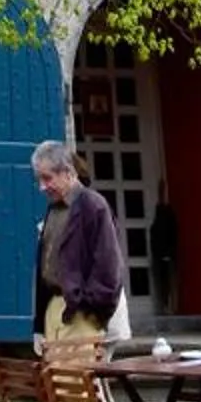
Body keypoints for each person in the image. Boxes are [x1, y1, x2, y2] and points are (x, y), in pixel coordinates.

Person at [31, 140, 129, 344]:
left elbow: (108, 265)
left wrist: (88, 309)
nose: (42, 187)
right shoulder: (54, 209)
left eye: (47, 178)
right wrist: (40, 323)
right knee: (56, 367)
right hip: (56, 310)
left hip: (80, 314)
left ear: (67, 172)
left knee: (77, 366)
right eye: (39, 179)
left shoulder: (92, 205)